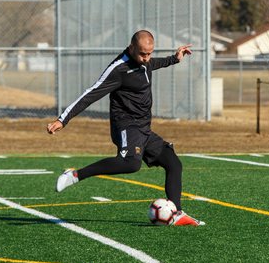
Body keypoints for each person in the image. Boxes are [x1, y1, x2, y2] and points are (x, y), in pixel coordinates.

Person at [47, 30, 204, 226]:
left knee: (173, 163)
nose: (146, 58)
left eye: (149, 53)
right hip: (126, 126)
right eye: (142, 54)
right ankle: (75, 175)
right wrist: (63, 119)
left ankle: (177, 212)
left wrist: (174, 58)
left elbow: (153, 64)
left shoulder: (145, 62)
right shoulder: (118, 69)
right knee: (131, 164)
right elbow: (91, 93)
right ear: (131, 48)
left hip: (144, 128)